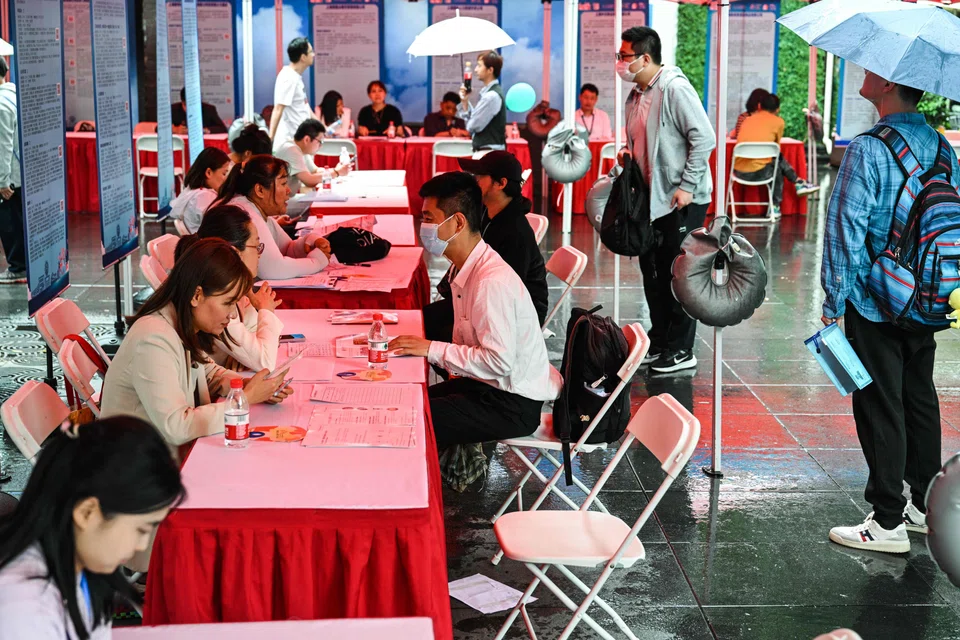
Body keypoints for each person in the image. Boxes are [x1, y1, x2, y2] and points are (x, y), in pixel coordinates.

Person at [822, 73, 960, 554]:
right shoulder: (942, 147)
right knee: (918, 397)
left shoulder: (868, 148)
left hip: (876, 298)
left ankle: (886, 523)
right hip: (928, 296)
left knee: (880, 404)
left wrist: (833, 299)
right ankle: (924, 506)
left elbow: (844, 229)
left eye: (869, 71)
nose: (863, 74)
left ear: (886, 83)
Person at [389, 172, 561, 447]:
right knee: (405, 402)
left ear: (458, 222)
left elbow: (498, 361)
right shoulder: (470, 266)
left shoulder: (490, 281)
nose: (423, 228)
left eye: (429, 219)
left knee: (410, 419)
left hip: (512, 403)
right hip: (487, 386)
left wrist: (430, 349)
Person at [0, 416, 184, 640]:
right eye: (141, 530)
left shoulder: (80, 563)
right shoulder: (25, 610)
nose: (142, 545)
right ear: (87, 513)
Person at [101, 239, 293, 449]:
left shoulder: (181, 322)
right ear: (197, 295)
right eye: (228, 303)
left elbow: (209, 373)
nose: (232, 315)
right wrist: (245, 399)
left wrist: (246, 387)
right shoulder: (153, 338)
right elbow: (176, 427)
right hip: (133, 460)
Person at [617, 26, 715, 374]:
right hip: (651, 200)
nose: (620, 62)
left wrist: (687, 185)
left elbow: (704, 138)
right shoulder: (636, 95)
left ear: (645, 58)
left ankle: (681, 348)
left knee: (678, 274)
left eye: (625, 56)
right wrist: (627, 154)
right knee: (653, 272)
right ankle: (660, 340)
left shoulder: (674, 88)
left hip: (681, 201)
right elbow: (642, 141)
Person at [423, 152, 548, 345]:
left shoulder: (516, 232)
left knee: (432, 327)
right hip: (478, 296)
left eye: (480, 177)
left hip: (514, 314)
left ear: (501, 183)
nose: (474, 182)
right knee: (425, 318)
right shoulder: (486, 213)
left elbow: (504, 293)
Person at [176, 205, 282, 372]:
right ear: (234, 252)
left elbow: (254, 334)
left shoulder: (228, 289)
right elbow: (265, 361)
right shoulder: (216, 299)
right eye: (256, 246)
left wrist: (241, 354)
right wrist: (266, 311)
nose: (259, 254)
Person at [212, 155, 331, 279]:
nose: (288, 190)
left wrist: (309, 242)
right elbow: (275, 269)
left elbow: (286, 249)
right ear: (260, 190)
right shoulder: (244, 214)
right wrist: (317, 261)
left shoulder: (255, 210)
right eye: (283, 184)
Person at [733, 93, 820, 212]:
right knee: (777, 165)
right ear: (778, 109)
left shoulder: (747, 120)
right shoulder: (778, 122)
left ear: (759, 106)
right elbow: (775, 149)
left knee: (777, 162)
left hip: (738, 172)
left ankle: (798, 183)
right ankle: (776, 204)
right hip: (762, 172)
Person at [273, 119, 350, 194]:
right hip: (282, 200)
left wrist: (338, 170)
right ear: (306, 139)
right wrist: (336, 172)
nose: (320, 146)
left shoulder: (301, 149)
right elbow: (309, 181)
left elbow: (315, 171)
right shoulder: (291, 150)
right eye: (320, 141)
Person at [0, 57, 24, 285]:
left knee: (10, 223)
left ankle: (18, 268)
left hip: (11, 177)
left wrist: (2, 181)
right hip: (22, 173)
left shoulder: (1, 104)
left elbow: (3, 146)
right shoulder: (15, 95)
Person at [168, 147, 231, 233]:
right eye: (224, 173)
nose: (225, 179)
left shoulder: (193, 190)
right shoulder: (205, 197)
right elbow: (221, 226)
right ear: (208, 172)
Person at [270, 37, 315, 151]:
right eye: (311, 52)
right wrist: (270, 139)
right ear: (303, 57)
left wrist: (321, 127)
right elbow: (278, 109)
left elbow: (305, 107)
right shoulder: (288, 78)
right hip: (290, 142)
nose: (313, 55)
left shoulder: (296, 77)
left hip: (301, 140)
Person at [458, 51, 506, 152]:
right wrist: (465, 102)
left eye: (479, 66)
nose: (475, 70)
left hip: (489, 152)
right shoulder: (489, 93)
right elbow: (476, 119)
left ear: (490, 70)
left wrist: (470, 122)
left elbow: (473, 126)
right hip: (488, 151)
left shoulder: (491, 96)